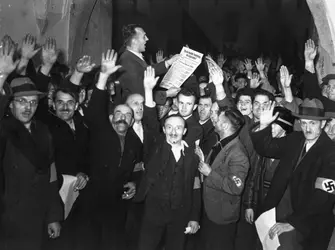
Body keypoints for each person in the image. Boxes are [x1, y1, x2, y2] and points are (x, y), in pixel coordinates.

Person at [65, 49, 142, 250]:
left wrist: (134, 183)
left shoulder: (135, 142)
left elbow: (138, 167)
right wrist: (104, 76)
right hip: (92, 199)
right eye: (118, 113)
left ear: (133, 120)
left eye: (127, 115)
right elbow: (94, 112)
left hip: (116, 204)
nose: (122, 117)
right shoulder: (101, 132)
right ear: (111, 118)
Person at [0, 40, 62, 249]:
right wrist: (1, 75)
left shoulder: (43, 132)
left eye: (33, 102)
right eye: (21, 101)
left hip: (36, 218)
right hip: (7, 221)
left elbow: (51, 177)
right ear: (10, 103)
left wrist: (53, 215)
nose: (28, 107)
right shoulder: (4, 129)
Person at [251, 99, 335, 249]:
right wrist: (264, 125)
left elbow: (323, 197)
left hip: (305, 221)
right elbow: (267, 148)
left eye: (312, 123)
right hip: (276, 211)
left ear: (323, 124)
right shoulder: (296, 139)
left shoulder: (330, 152)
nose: (307, 129)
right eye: (304, 123)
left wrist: (293, 222)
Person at [135, 66, 201, 250]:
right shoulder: (157, 145)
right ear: (163, 130)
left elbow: (195, 186)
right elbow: (150, 120)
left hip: (179, 214)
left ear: (185, 131)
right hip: (153, 213)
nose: (173, 132)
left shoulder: (192, 155)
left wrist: (194, 216)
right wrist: (148, 90)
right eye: (169, 128)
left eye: (178, 128)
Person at [200, 104, 249, 250]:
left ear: (225, 125)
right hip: (211, 210)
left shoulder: (238, 154)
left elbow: (235, 188)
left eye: (217, 118)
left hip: (221, 217)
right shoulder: (222, 143)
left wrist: (210, 173)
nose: (214, 120)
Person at [116, 24, 179, 104]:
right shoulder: (128, 61)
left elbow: (146, 71)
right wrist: (167, 94)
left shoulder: (131, 57)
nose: (147, 39)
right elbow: (140, 95)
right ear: (134, 41)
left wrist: (168, 62)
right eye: (144, 37)